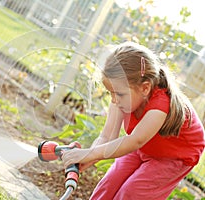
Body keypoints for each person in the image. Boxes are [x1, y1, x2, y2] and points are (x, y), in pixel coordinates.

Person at [61, 42, 205, 199]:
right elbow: (107, 136)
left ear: (145, 88)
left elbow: (135, 141)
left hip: (174, 156)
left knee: (132, 193)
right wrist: (90, 155)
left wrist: (90, 153)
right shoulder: (122, 96)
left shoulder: (160, 105)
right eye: (111, 93)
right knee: (109, 183)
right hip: (147, 146)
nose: (114, 100)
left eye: (119, 94)